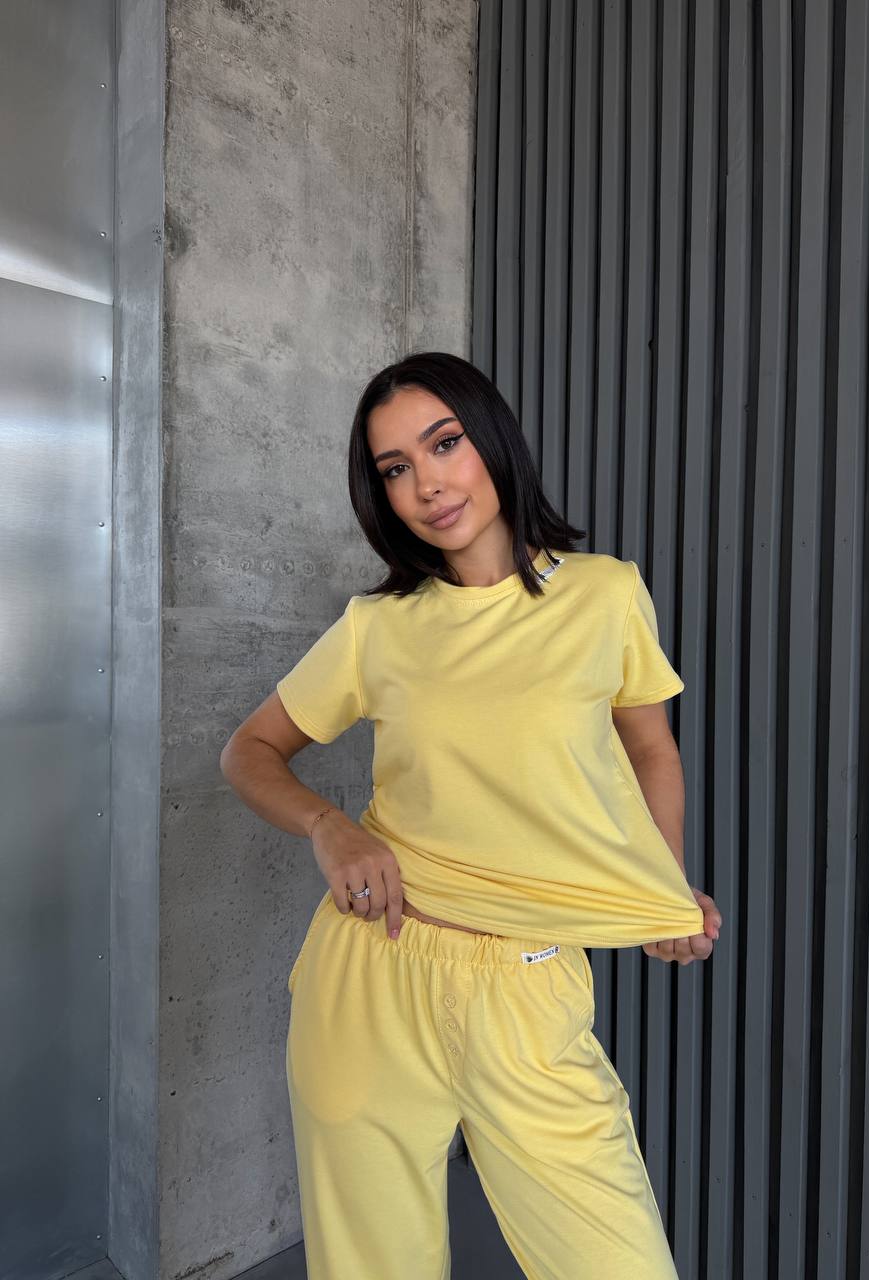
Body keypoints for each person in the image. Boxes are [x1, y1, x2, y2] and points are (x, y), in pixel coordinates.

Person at [220, 351, 722, 1279]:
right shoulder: (377, 628)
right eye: (395, 468)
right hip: (371, 972)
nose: (427, 484)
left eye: (444, 443)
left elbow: (651, 750)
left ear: (491, 438)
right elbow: (248, 750)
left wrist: (663, 892)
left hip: (528, 984)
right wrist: (331, 827)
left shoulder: (605, 593)